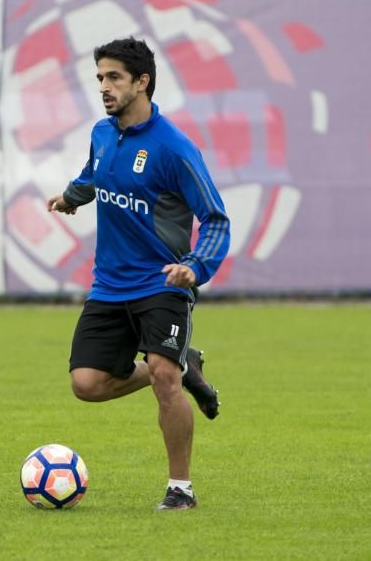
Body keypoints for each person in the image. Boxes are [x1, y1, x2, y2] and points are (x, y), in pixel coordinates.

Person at [46, 37, 229, 511]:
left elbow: (214, 217)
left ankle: (180, 490)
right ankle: (182, 363)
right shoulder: (103, 133)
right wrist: (70, 197)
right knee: (85, 385)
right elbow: (94, 173)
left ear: (142, 82)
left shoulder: (173, 147)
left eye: (113, 78)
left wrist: (194, 266)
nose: (103, 88)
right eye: (100, 78)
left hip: (161, 282)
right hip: (109, 284)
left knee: (164, 377)